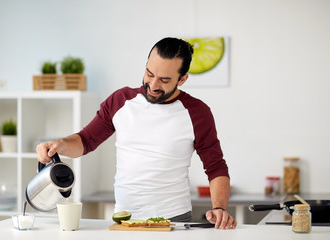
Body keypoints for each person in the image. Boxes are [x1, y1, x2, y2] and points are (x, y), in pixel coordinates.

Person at [36, 37, 237, 229]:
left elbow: (216, 167)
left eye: (165, 80)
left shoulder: (197, 112)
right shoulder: (120, 100)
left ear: (182, 79)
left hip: (174, 220)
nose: (153, 85)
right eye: (149, 74)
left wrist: (219, 207)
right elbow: (86, 141)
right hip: (125, 219)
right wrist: (60, 144)